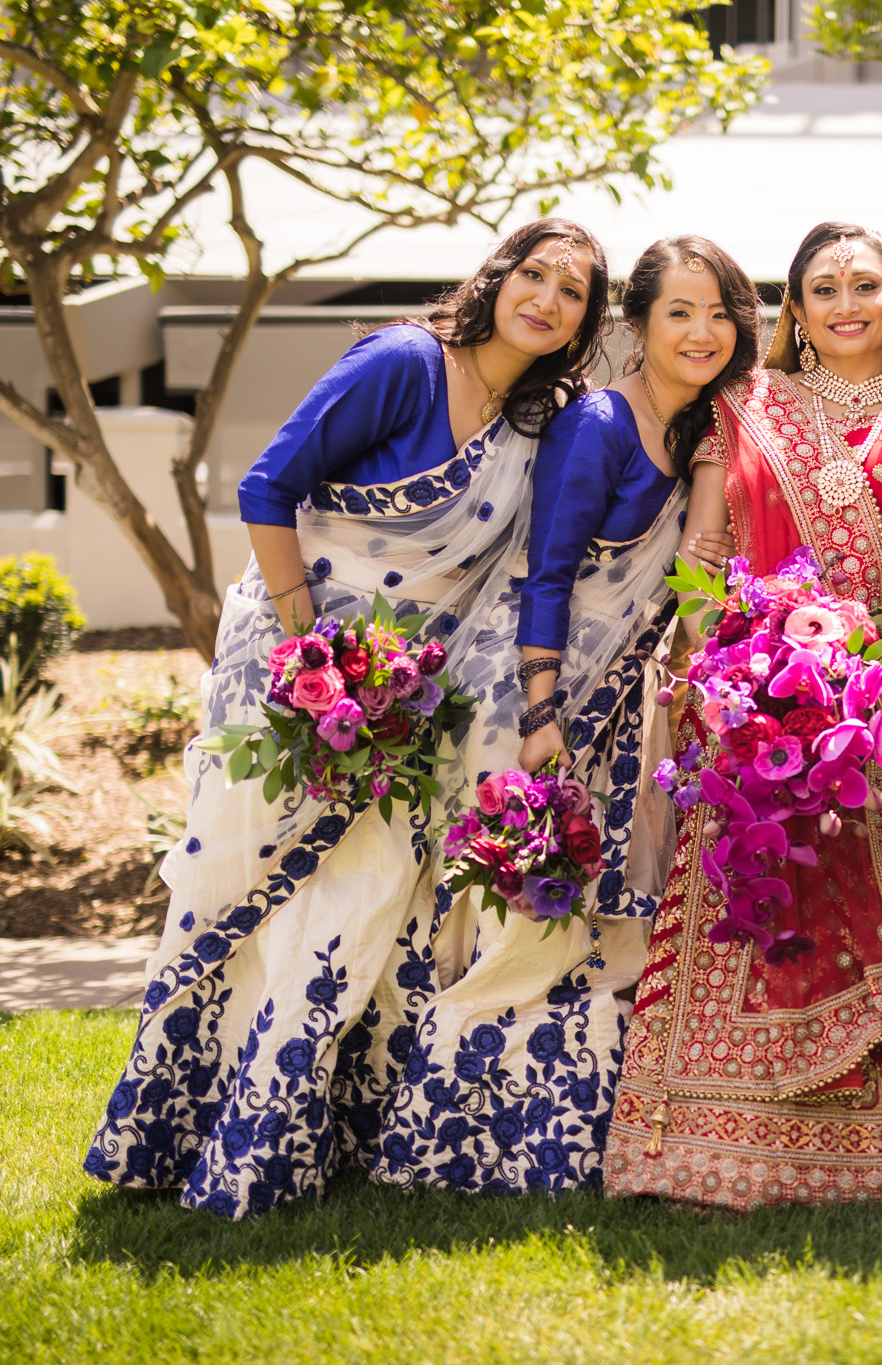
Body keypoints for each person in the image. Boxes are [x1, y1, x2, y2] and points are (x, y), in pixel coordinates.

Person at [84, 220, 610, 1218]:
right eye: (534, 275)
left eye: (573, 292)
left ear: (584, 320)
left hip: (409, 705)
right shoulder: (405, 362)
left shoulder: (537, 420)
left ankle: (302, 1132)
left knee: (362, 903)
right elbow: (265, 488)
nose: (546, 299)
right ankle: (197, 1132)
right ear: (497, 278)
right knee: (255, 901)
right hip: (298, 679)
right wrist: (314, 656)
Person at [603, 222, 882, 1210]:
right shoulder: (745, 408)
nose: (846, 301)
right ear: (796, 309)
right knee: (750, 899)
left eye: (866, 284)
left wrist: (880, 669)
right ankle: (708, 1141)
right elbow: (706, 545)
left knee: (879, 906)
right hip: (755, 705)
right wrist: (712, 663)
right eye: (824, 287)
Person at [370, 237, 754, 1194]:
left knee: (572, 921)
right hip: (527, 703)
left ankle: (541, 1139)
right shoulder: (599, 423)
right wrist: (542, 711)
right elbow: (545, 572)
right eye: (680, 312)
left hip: (613, 706)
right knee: (506, 912)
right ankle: (442, 1142)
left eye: (720, 314)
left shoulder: (700, 433)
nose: (702, 332)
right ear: (636, 324)